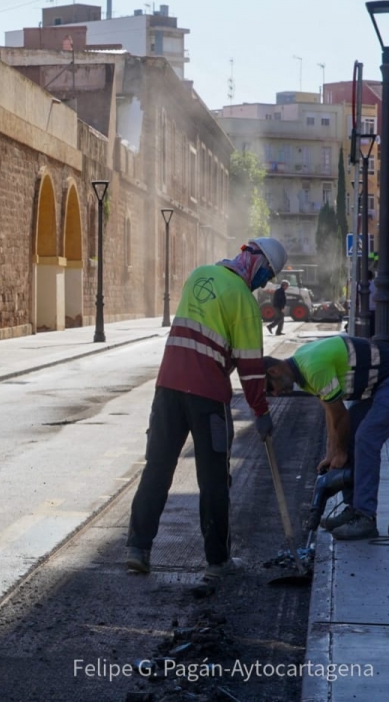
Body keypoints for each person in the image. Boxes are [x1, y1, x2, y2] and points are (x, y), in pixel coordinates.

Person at [126, 237, 287, 582]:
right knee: (213, 479)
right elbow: (251, 368)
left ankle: (138, 549)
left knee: (157, 468)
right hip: (208, 397)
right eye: (267, 275)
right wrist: (261, 412)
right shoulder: (243, 300)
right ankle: (218, 561)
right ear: (259, 264)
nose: (264, 283)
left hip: (167, 388)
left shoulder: (199, 275)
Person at [264, 334, 389, 540]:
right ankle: (353, 509)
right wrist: (332, 454)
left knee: (365, 439)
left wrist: (340, 452)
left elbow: (340, 415)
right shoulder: (302, 367)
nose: (275, 394)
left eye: (270, 388)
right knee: (350, 434)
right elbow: (330, 413)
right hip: (383, 383)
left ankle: (365, 517)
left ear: (274, 371)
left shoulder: (313, 368)